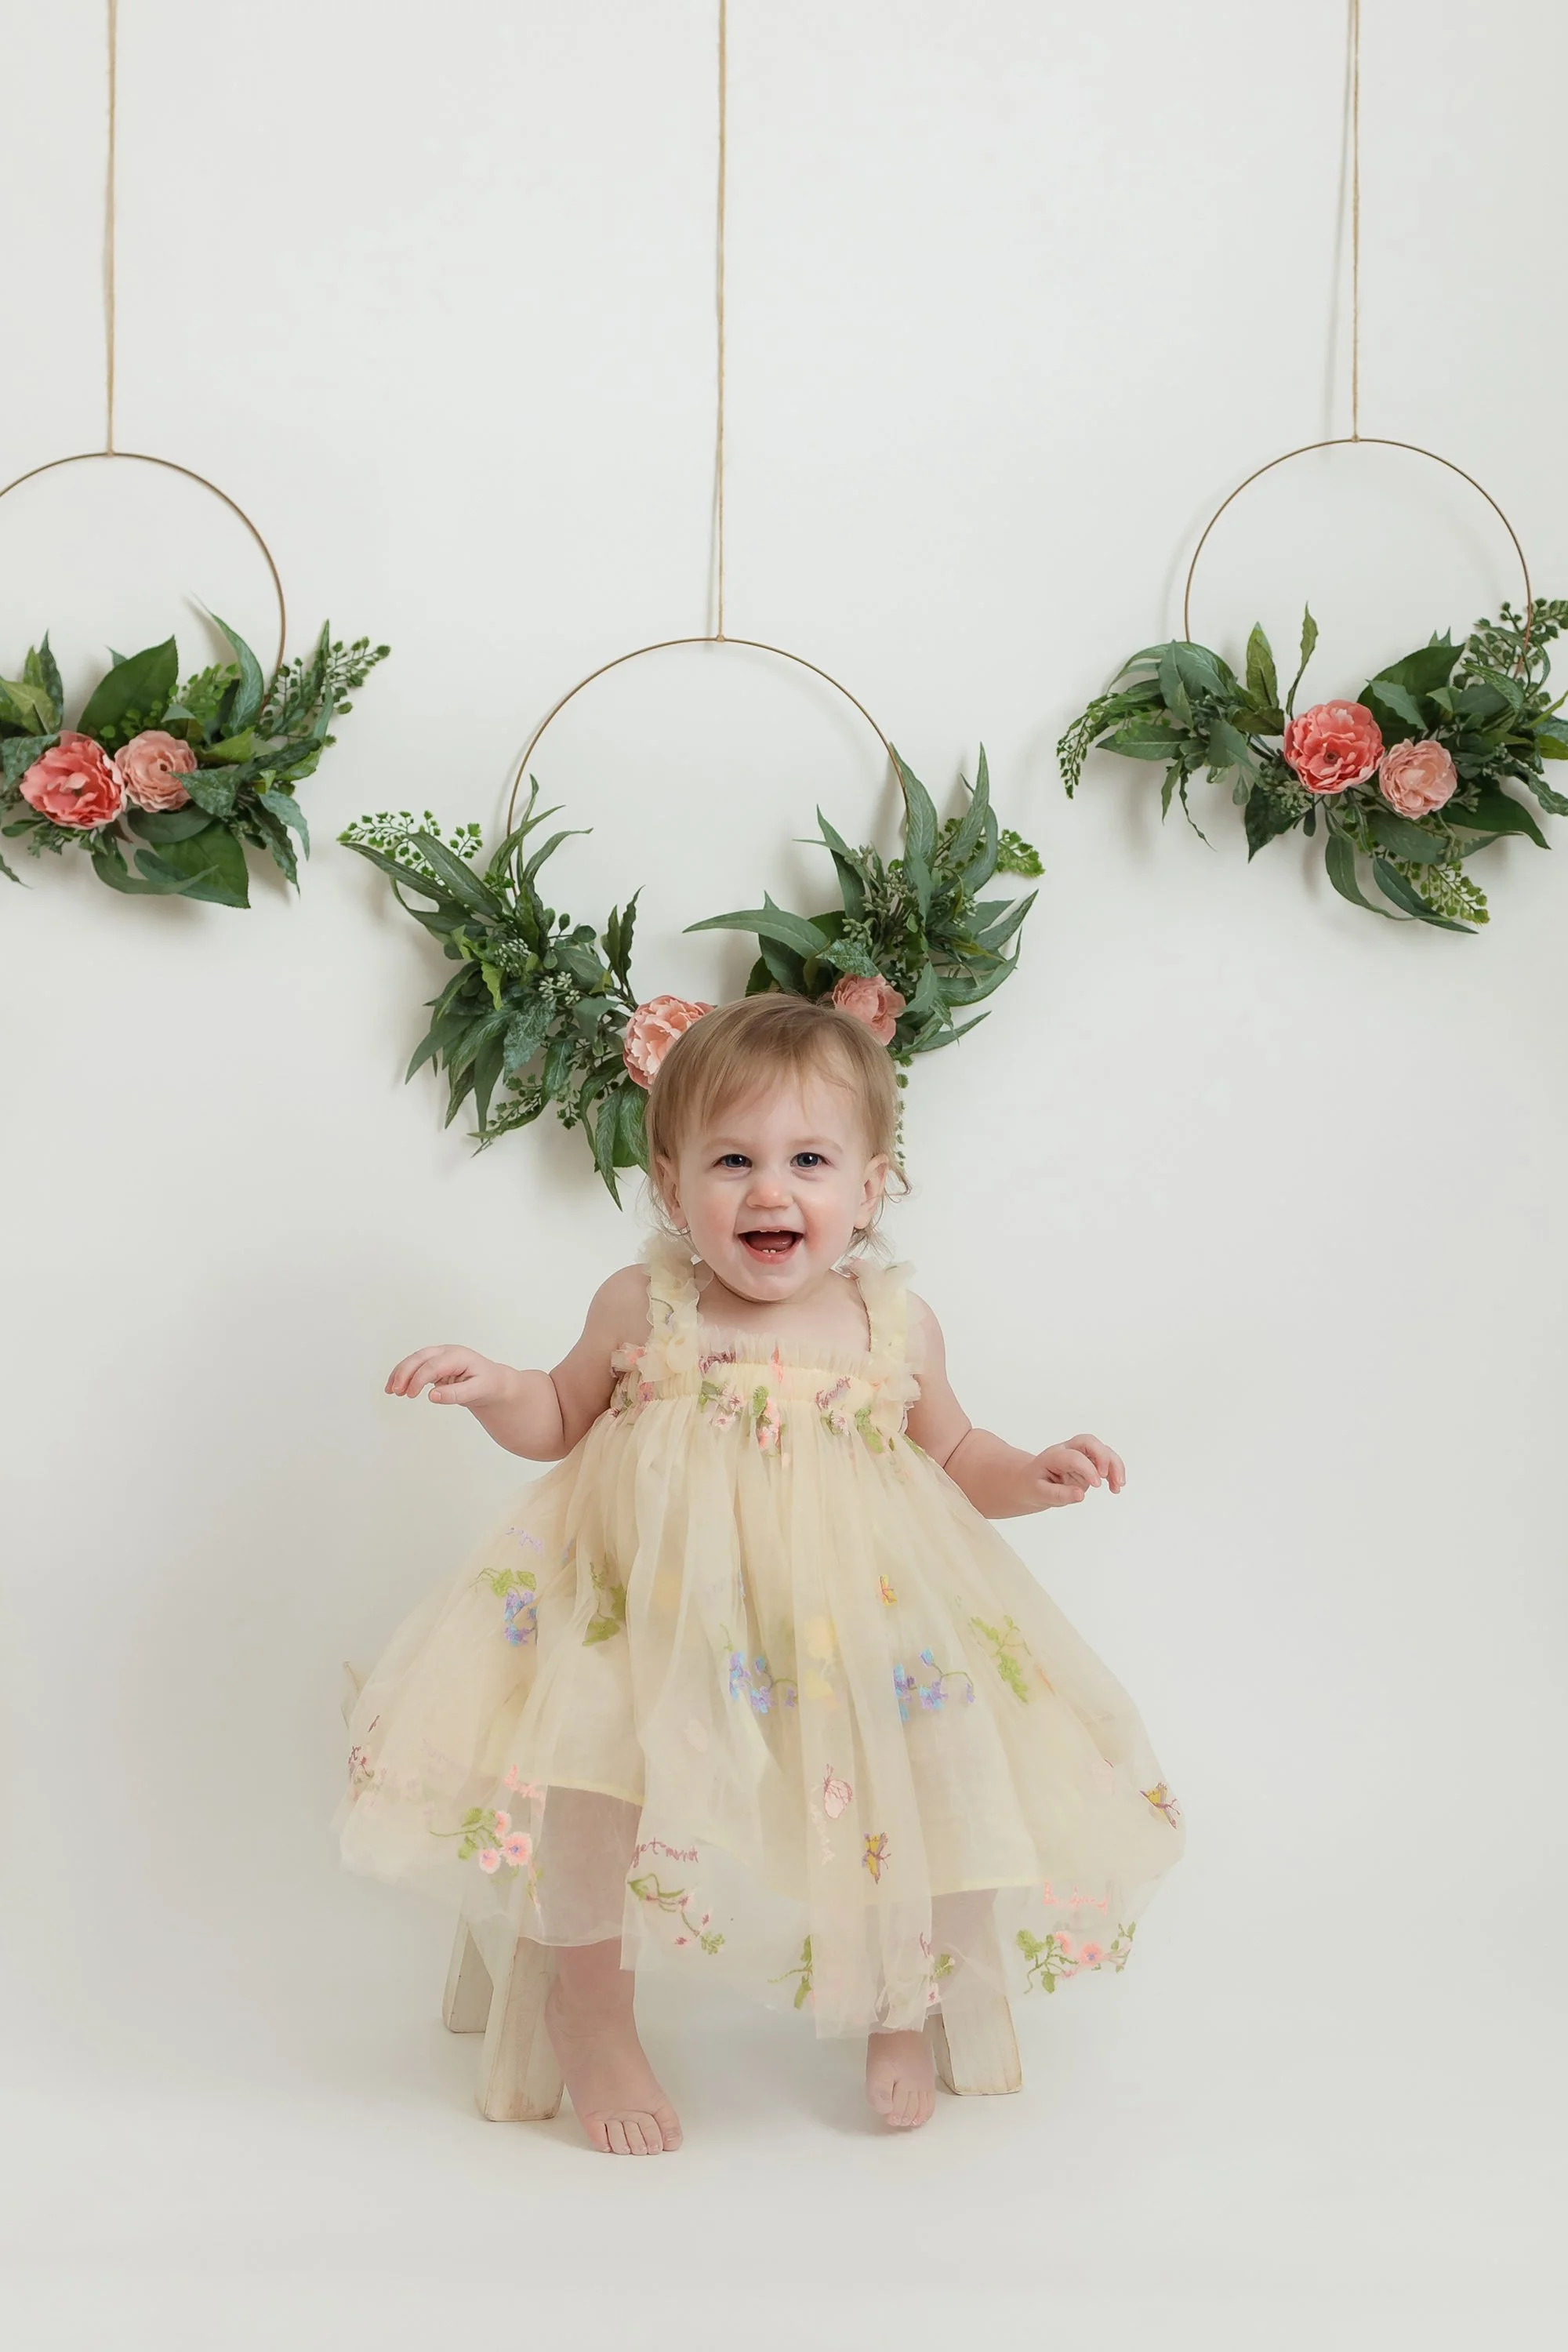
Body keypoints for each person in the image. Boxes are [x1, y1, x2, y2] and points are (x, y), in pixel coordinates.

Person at [339, 993, 1182, 2153]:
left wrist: (1034, 1471)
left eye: (809, 1161)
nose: (770, 1191)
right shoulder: (647, 1304)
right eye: (732, 1160)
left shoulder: (893, 1324)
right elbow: (560, 1415)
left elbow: (955, 1452)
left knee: (942, 1761)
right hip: (656, 1619)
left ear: (870, 1189)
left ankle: (906, 1999)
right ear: (670, 1180)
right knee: (590, 1778)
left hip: (850, 1623)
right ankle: (590, 2010)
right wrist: (495, 1386)